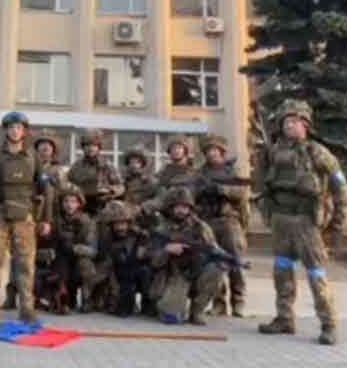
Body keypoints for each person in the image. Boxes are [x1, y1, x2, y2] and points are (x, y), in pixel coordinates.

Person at [257, 100, 347, 345]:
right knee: (281, 270)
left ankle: (329, 324)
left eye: (295, 121)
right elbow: (262, 186)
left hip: (306, 221)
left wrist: (338, 221)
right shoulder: (273, 152)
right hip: (281, 221)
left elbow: (340, 185)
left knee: (316, 274)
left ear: (305, 125)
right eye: (286, 122)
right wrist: (266, 211)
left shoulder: (316, 152)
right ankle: (284, 318)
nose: (290, 126)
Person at [0, 111, 52, 323]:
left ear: (24, 131)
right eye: (11, 127)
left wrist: (45, 220)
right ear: (6, 130)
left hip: (24, 218)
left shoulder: (33, 157)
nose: (15, 131)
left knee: (26, 264)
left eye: (19, 127)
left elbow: (45, 190)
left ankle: (27, 308)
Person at [2, 127, 66, 310]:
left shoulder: (58, 171)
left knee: (46, 260)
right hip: (26, 218)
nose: (45, 149)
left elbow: (66, 195)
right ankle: (12, 294)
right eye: (42, 146)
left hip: (49, 221)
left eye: (49, 146)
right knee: (18, 257)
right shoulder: (27, 165)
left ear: (54, 150)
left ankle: (43, 296)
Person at [149, 187, 221, 325]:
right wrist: (166, 249)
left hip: (196, 271)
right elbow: (151, 257)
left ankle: (197, 311)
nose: (181, 210)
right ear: (170, 208)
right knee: (172, 318)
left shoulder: (201, 227)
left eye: (185, 207)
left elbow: (213, 248)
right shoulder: (161, 228)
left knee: (216, 269)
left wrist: (221, 258)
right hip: (173, 276)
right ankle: (165, 304)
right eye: (178, 207)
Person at [197, 135, 249, 317]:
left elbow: (243, 193)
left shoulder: (232, 172)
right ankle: (219, 302)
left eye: (215, 150)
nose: (212, 153)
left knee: (235, 260)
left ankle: (238, 301)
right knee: (214, 262)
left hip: (228, 221)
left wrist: (221, 189)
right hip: (208, 222)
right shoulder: (201, 173)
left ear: (221, 152)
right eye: (208, 151)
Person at [95, 200, 153, 317]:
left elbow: (146, 254)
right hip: (117, 274)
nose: (120, 227)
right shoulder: (107, 240)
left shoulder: (139, 236)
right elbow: (106, 264)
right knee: (120, 307)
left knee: (145, 272)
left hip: (136, 271)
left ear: (129, 224)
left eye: (123, 224)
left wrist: (142, 252)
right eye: (117, 224)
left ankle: (147, 304)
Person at [50, 184, 98, 313]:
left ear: (79, 204)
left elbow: (93, 250)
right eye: (66, 201)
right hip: (61, 264)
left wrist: (74, 248)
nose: (69, 205)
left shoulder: (87, 222)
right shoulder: (55, 222)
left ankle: (87, 300)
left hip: (78, 263)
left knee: (86, 265)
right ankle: (62, 299)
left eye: (73, 201)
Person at [68, 129, 124, 217]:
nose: (90, 148)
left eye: (94, 145)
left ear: (98, 147)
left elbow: (120, 186)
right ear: (83, 147)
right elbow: (69, 185)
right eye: (87, 145)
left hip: (102, 206)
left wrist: (110, 190)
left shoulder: (107, 165)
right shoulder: (76, 166)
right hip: (82, 206)